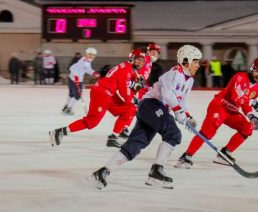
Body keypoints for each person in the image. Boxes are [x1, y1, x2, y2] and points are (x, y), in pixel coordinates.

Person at [89, 45, 202, 190]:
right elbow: (168, 95)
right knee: (173, 134)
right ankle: (156, 171)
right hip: (151, 105)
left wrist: (187, 116)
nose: (198, 65)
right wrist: (178, 112)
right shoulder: (173, 74)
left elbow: (182, 101)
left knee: (136, 144)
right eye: (196, 61)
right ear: (186, 60)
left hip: (155, 110)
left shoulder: (189, 80)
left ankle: (102, 172)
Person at [175, 58, 258, 169]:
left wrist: (251, 116)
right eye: (257, 71)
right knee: (208, 132)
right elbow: (236, 97)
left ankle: (224, 154)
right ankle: (186, 156)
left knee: (248, 127)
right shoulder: (240, 77)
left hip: (232, 111)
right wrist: (253, 102)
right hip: (220, 105)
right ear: (252, 69)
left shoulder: (257, 89)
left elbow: (244, 104)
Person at [49, 49, 146, 148]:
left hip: (108, 93)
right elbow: (124, 92)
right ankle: (59, 132)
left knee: (129, 109)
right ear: (132, 58)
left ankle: (113, 138)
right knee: (91, 122)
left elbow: (127, 80)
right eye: (138, 59)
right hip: (102, 94)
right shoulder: (127, 69)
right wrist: (135, 99)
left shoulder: (128, 67)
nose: (140, 63)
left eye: (143, 61)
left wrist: (136, 82)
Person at [118, 43, 163, 141]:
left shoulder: (150, 63)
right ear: (148, 52)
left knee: (133, 109)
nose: (154, 54)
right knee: (132, 108)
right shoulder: (145, 59)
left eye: (156, 53)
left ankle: (124, 128)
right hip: (134, 87)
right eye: (152, 52)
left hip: (139, 89)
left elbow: (143, 78)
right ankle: (123, 128)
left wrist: (147, 87)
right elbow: (133, 67)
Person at [62, 48, 100, 115]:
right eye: (91, 54)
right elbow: (72, 68)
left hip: (73, 79)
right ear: (87, 54)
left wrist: (94, 73)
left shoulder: (87, 61)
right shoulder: (82, 61)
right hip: (75, 80)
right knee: (77, 95)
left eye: (94, 55)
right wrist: (76, 77)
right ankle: (69, 109)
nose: (92, 56)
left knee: (71, 94)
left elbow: (87, 69)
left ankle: (66, 107)